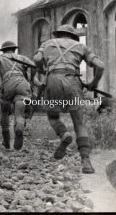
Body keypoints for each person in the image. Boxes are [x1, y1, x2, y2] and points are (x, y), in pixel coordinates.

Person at [33, 24, 104, 174]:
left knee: (53, 117)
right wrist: (93, 83)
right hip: (73, 81)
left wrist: (41, 69)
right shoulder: (80, 46)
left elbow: (37, 59)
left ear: (58, 35)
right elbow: (100, 65)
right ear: (73, 36)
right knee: (79, 123)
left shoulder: (46, 44)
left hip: (52, 81)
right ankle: (86, 162)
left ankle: (64, 134)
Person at [0, 41, 35, 150]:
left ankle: (6, 143)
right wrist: (31, 79)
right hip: (22, 85)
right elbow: (33, 66)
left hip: (7, 85)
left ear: (3, 50)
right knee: (19, 114)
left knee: (4, 112)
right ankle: (19, 129)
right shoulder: (22, 58)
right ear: (14, 49)